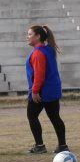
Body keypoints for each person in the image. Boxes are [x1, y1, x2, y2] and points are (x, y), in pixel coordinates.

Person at [25, 25, 68, 154]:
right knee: (55, 117)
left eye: (29, 34)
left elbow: (39, 74)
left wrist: (35, 91)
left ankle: (39, 146)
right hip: (52, 90)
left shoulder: (38, 53)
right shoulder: (49, 49)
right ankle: (63, 145)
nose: (27, 37)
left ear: (38, 36)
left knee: (32, 116)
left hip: (42, 91)